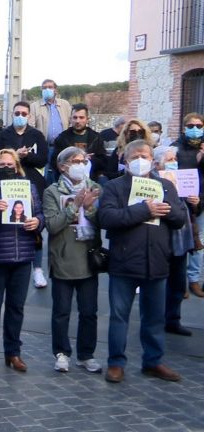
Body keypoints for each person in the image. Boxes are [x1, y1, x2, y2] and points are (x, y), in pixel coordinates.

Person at [98, 140, 186, 384]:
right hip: (124, 261)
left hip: (157, 260)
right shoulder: (115, 186)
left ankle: (153, 361)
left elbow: (179, 218)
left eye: (144, 155)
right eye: (135, 156)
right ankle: (116, 362)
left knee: (155, 316)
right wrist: (144, 210)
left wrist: (166, 209)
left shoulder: (166, 185)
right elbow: (106, 217)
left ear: (153, 160)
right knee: (119, 316)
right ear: (125, 161)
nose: (140, 160)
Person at [0, 148, 43, 372]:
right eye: (1, 165)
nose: (6, 168)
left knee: (16, 307)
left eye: (10, 165)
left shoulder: (28, 187)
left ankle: (13, 352)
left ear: (17, 167)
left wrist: (37, 222)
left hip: (23, 255)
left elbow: (39, 213)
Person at [43, 147, 103, 373]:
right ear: (62, 167)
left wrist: (89, 209)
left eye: (83, 160)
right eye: (75, 161)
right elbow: (53, 225)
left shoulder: (95, 188)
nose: (80, 164)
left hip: (88, 256)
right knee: (62, 310)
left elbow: (103, 221)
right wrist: (75, 206)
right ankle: (61, 352)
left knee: (89, 311)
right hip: (64, 256)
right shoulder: (52, 191)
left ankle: (86, 354)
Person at [0, 101, 49, 288]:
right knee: (9, 222)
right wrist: (14, 155)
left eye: (24, 113)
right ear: (12, 114)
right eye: (17, 113)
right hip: (6, 184)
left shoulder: (36, 135)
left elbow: (43, 160)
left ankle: (37, 268)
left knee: (33, 225)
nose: (20, 116)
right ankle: (9, 260)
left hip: (32, 184)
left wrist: (27, 157)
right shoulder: (3, 135)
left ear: (29, 116)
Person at [151, 146, 198, 337]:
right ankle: (156, 320)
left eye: (174, 158)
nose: (173, 162)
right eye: (169, 159)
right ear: (158, 163)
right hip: (162, 239)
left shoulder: (181, 178)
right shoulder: (153, 181)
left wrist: (195, 202)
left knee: (178, 284)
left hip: (181, 239)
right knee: (159, 285)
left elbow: (191, 209)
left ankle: (173, 319)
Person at [172, 112, 204, 298]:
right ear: (184, 128)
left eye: (199, 126)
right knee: (179, 243)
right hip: (182, 203)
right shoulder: (175, 148)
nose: (195, 129)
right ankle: (179, 282)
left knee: (199, 243)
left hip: (201, 202)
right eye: (191, 126)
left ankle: (194, 280)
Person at [51, 104, 108, 183]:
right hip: (67, 182)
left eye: (81, 117)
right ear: (70, 119)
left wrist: (89, 160)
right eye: (75, 117)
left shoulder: (96, 138)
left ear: (87, 119)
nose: (78, 121)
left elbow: (103, 162)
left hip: (90, 181)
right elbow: (54, 162)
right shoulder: (62, 138)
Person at [29, 79, 71, 185]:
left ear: (55, 90)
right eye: (44, 88)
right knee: (44, 177)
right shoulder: (34, 106)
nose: (47, 89)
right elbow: (31, 127)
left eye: (50, 87)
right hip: (44, 147)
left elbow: (71, 122)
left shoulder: (65, 104)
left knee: (63, 175)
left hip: (63, 147)